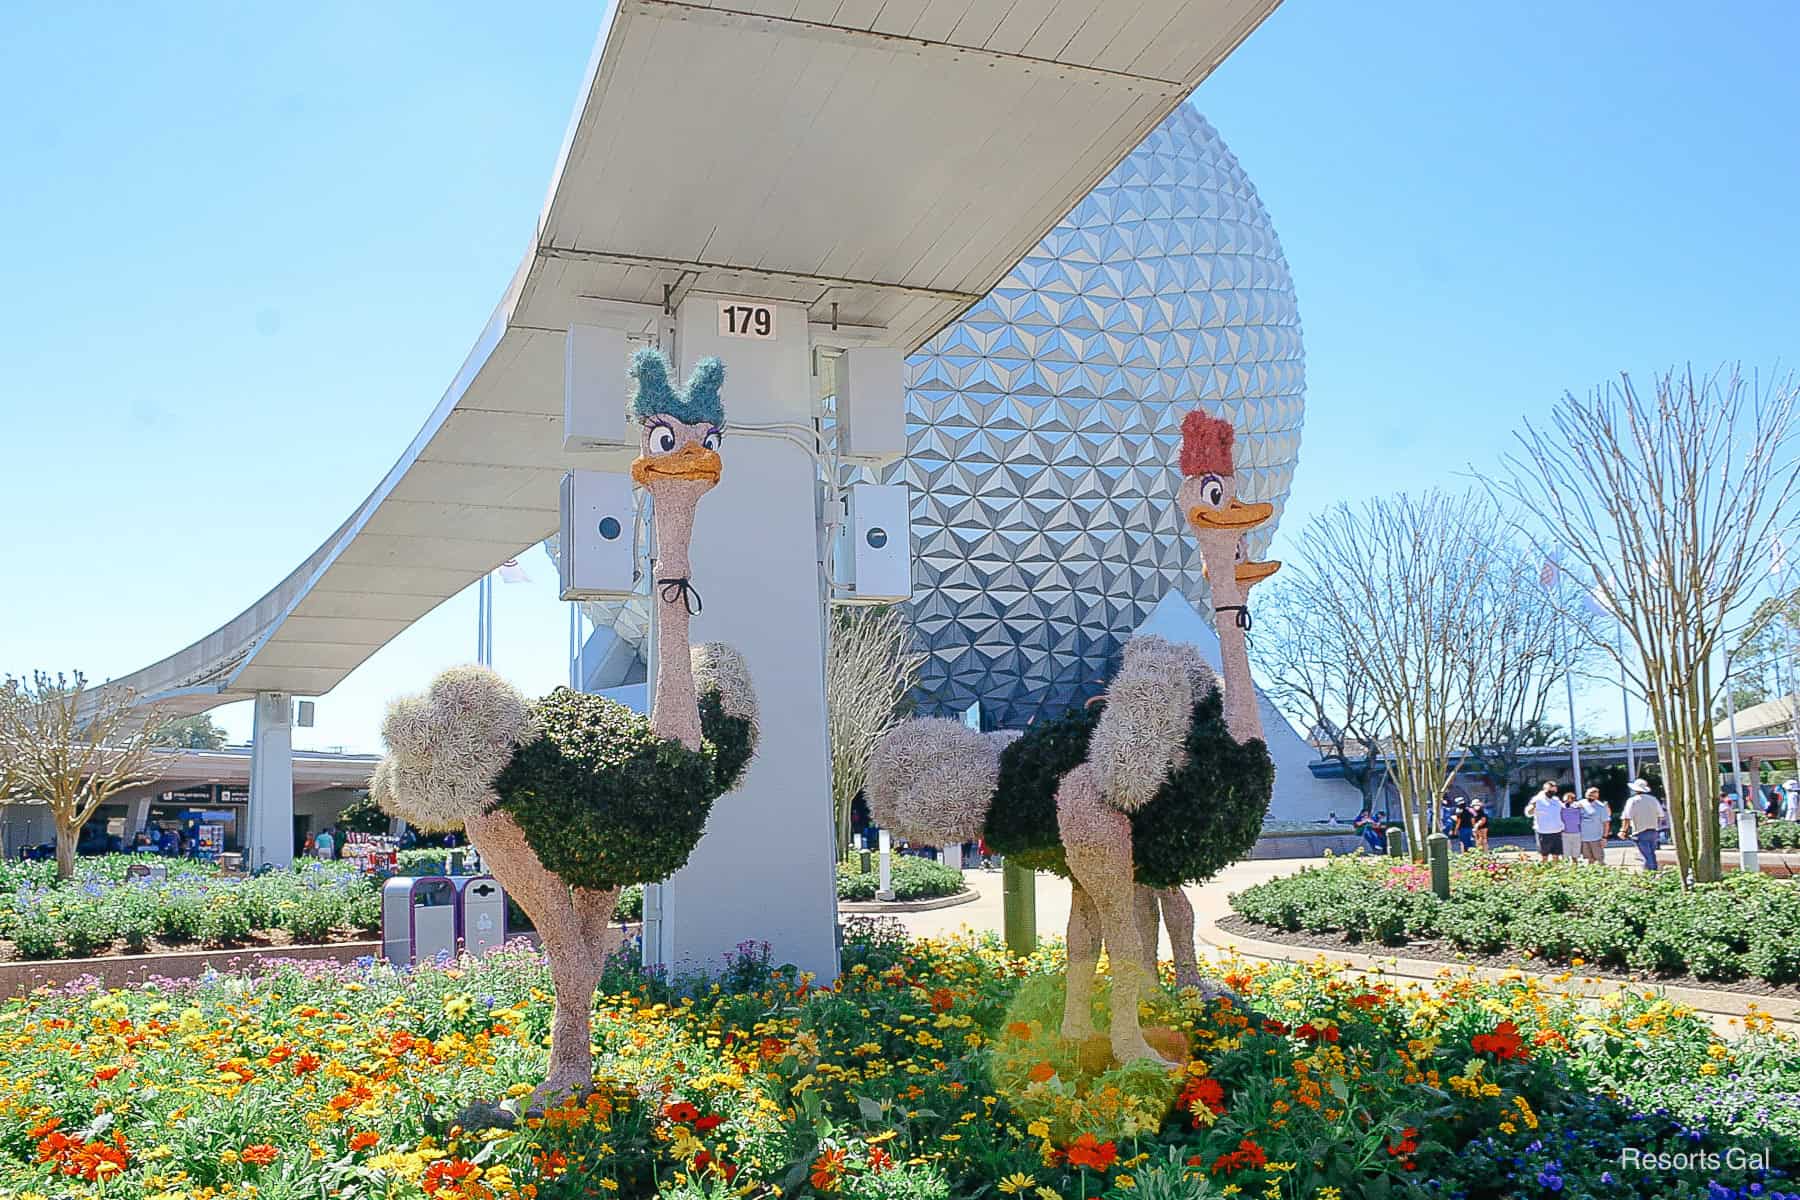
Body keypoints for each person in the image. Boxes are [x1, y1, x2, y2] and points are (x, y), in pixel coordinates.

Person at [1621, 778, 1666, 871]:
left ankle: (1651, 873)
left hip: (1640, 831)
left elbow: (1626, 817)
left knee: (1646, 855)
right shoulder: (1653, 800)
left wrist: (1623, 831)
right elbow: (1660, 815)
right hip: (1653, 830)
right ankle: (1652, 872)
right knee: (1651, 853)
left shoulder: (1632, 800)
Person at [1528, 781, 1565, 861]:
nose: (1552, 792)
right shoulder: (1537, 800)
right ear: (1545, 789)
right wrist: (1533, 807)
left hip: (1557, 831)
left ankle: (1557, 872)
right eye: (1550, 790)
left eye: (1554, 790)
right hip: (1543, 832)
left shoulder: (1556, 800)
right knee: (1544, 856)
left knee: (1556, 855)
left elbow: (1564, 810)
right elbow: (1528, 813)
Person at [1577, 786, 1609, 864]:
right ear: (1586, 794)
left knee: (1600, 860)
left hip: (1596, 838)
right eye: (1589, 794)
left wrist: (1604, 837)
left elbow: (1606, 823)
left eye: (1593, 795)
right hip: (1583, 838)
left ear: (1597, 796)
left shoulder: (1601, 807)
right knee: (1589, 859)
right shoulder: (1580, 804)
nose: (1591, 796)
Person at [1558, 791, 1583, 859]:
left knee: (1575, 855)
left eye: (1570, 799)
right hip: (1564, 834)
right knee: (1565, 856)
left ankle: (1575, 868)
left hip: (1577, 833)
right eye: (1566, 800)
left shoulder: (1579, 809)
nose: (1568, 801)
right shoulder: (1561, 809)